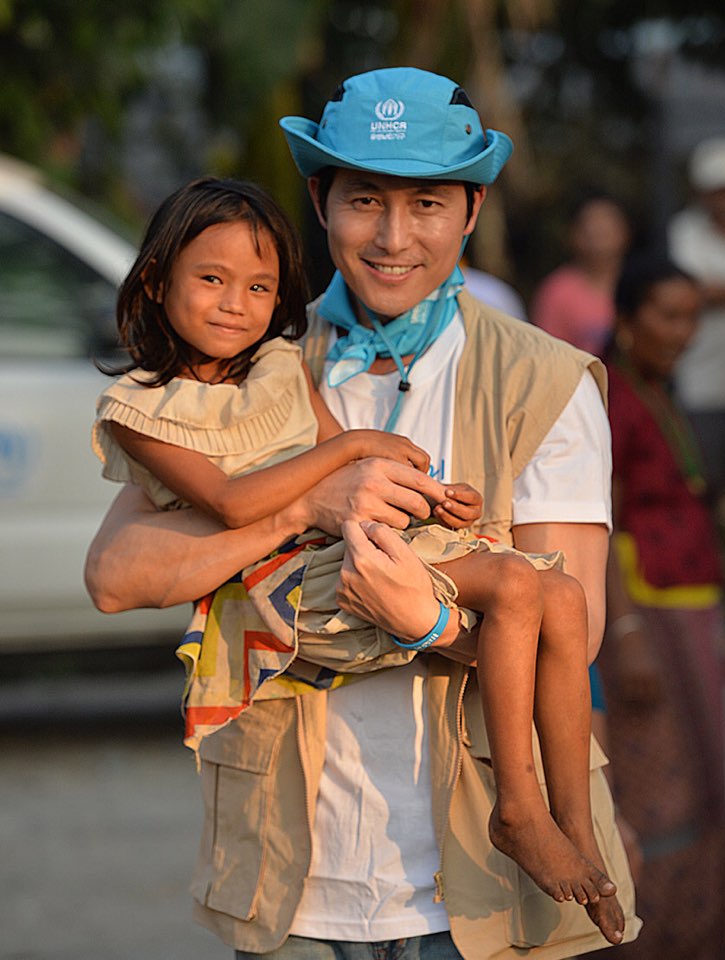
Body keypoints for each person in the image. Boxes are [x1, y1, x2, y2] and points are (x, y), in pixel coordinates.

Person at [85, 67, 640, 959]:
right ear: (319, 198)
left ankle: (540, 817)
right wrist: (302, 502)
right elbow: (116, 577)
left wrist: (422, 619)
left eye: (427, 204)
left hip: (478, 906)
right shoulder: (247, 352)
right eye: (364, 200)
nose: (392, 237)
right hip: (297, 888)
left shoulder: (546, 381)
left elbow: (572, 626)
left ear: (472, 208)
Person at [592, 253, 725, 959]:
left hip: (687, 612)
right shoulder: (610, 397)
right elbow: (603, 520)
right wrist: (625, 631)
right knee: (662, 798)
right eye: (669, 316)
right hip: (646, 617)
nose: (685, 332)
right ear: (626, 321)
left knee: (704, 785)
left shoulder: (654, 385)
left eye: (693, 316)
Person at [667, 136, 725, 510]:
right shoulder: (684, 231)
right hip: (704, 388)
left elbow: (706, 291)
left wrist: (718, 291)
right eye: (718, 192)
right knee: (708, 491)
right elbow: (691, 292)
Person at [531, 192, 632, 356]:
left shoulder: (642, 284)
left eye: (607, 224)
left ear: (625, 231)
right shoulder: (557, 292)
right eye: (591, 225)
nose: (599, 233)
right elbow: (548, 355)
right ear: (573, 234)